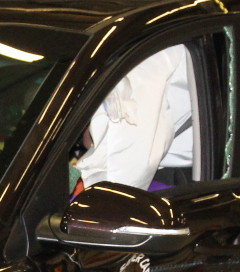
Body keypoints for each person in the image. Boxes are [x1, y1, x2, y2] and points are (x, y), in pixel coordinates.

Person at [70, 44, 193, 195]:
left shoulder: (145, 61)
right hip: (146, 169)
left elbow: (118, 179)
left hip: (165, 179)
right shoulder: (124, 52)